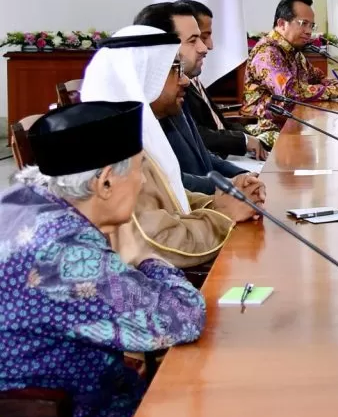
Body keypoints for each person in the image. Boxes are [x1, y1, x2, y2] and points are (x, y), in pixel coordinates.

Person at [0, 100, 206, 417]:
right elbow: (183, 317)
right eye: (140, 170)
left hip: (77, 400)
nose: (143, 182)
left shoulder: (23, 201)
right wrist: (144, 256)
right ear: (106, 182)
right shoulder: (65, 254)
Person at [81, 26, 258, 269]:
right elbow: (155, 244)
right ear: (142, 75)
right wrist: (224, 216)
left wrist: (229, 199)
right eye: (175, 69)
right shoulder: (114, 148)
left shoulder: (142, 129)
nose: (185, 79)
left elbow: (173, 200)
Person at [134, 3, 268, 198]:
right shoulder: (143, 110)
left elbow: (202, 156)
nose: (205, 48)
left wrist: (243, 176)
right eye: (193, 40)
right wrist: (230, 187)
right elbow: (168, 181)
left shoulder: (174, 97)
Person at [242, 0, 338, 148]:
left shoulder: (293, 50)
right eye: (303, 24)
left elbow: (315, 76)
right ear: (282, 23)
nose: (309, 31)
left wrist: (332, 84)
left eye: (311, 25)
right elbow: (289, 92)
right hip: (267, 129)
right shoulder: (267, 53)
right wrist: (335, 91)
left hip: (294, 122)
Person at [177, 0, 268, 160]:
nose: (208, 46)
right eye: (196, 39)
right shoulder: (174, 84)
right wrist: (243, 141)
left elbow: (218, 122)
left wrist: (251, 139)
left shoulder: (193, 77)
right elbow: (195, 134)